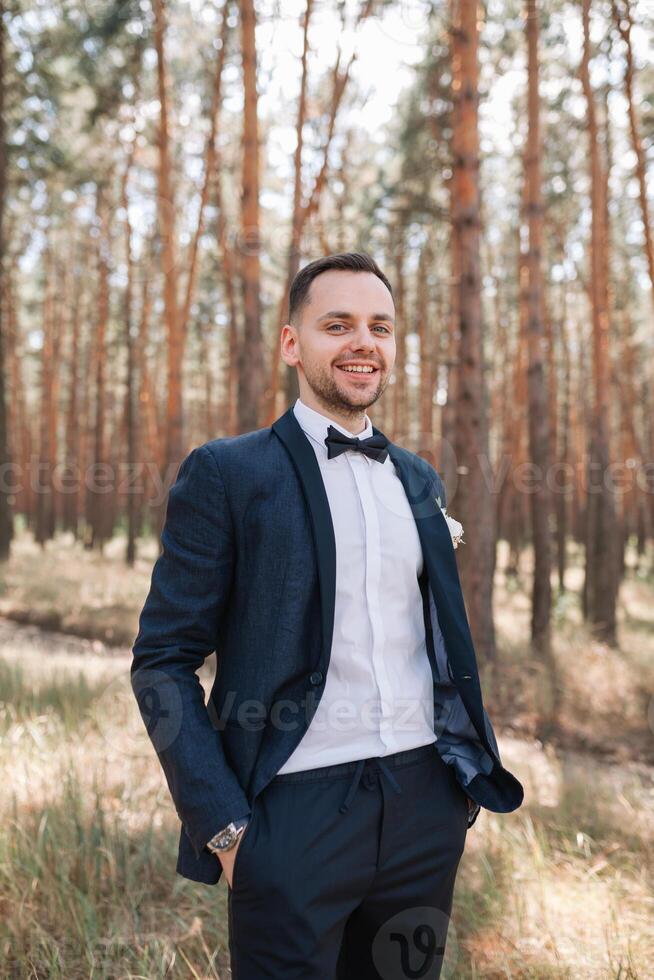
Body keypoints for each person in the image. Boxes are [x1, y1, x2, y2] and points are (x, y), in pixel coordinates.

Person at [131, 252, 524, 979]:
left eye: (379, 326)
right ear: (292, 344)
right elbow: (161, 660)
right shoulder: (228, 472)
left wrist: (452, 795)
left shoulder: (417, 478)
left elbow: (433, 640)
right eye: (336, 324)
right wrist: (226, 826)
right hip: (293, 815)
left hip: (423, 808)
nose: (362, 342)